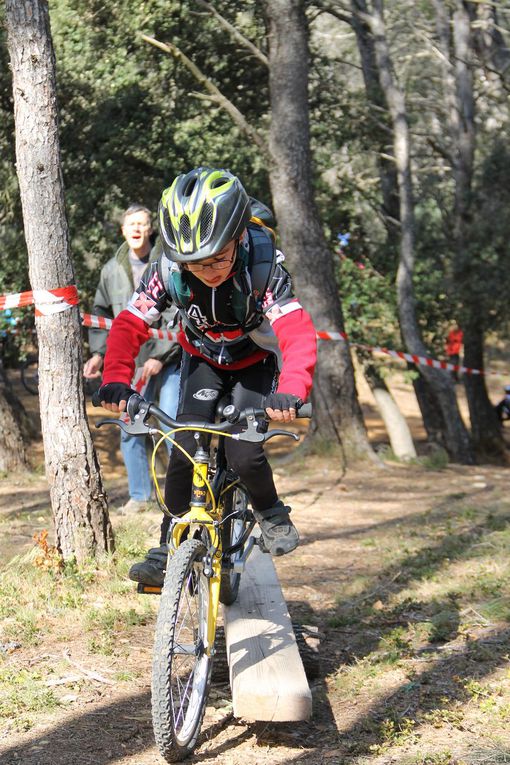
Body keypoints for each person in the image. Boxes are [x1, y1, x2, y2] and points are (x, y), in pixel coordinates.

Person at [96, 167, 317, 585]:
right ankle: (169, 546)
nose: (207, 270)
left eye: (217, 259)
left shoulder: (263, 266)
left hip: (255, 361)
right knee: (184, 445)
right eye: (194, 263)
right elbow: (129, 322)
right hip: (202, 359)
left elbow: (296, 330)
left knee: (244, 452)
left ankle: (271, 512)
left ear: (237, 237)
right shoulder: (168, 268)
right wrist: (116, 378)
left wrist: (292, 388)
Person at [84, 203, 181, 513]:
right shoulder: (112, 270)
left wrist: (161, 357)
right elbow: (101, 312)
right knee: (130, 426)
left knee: (171, 426)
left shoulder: (169, 262)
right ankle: (140, 497)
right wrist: (100, 353)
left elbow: (179, 314)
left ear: (150, 228)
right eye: (131, 224)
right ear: (123, 230)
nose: (136, 229)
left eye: (142, 224)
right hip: (130, 364)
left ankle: (184, 495)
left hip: (169, 360)